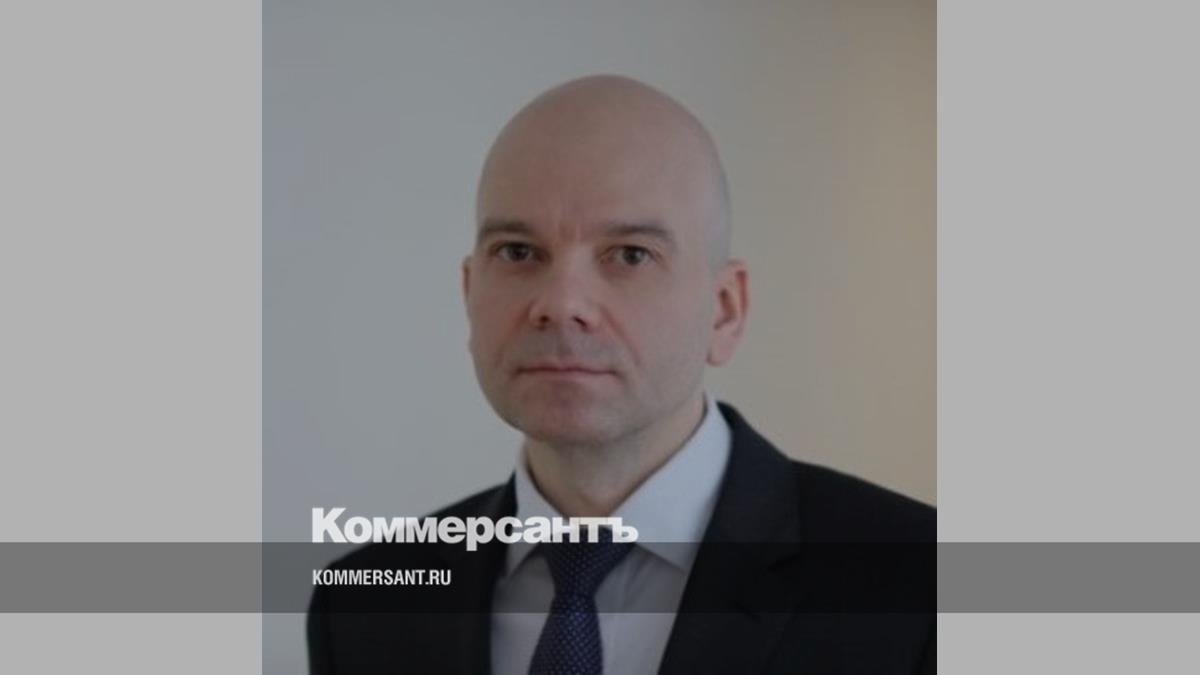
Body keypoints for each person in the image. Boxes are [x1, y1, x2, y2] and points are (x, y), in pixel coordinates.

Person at [307, 74, 934, 674]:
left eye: (630, 255)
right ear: (470, 293)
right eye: (518, 252)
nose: (562, 304)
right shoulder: (362, 606)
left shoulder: (922, 586)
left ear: (724, 310)